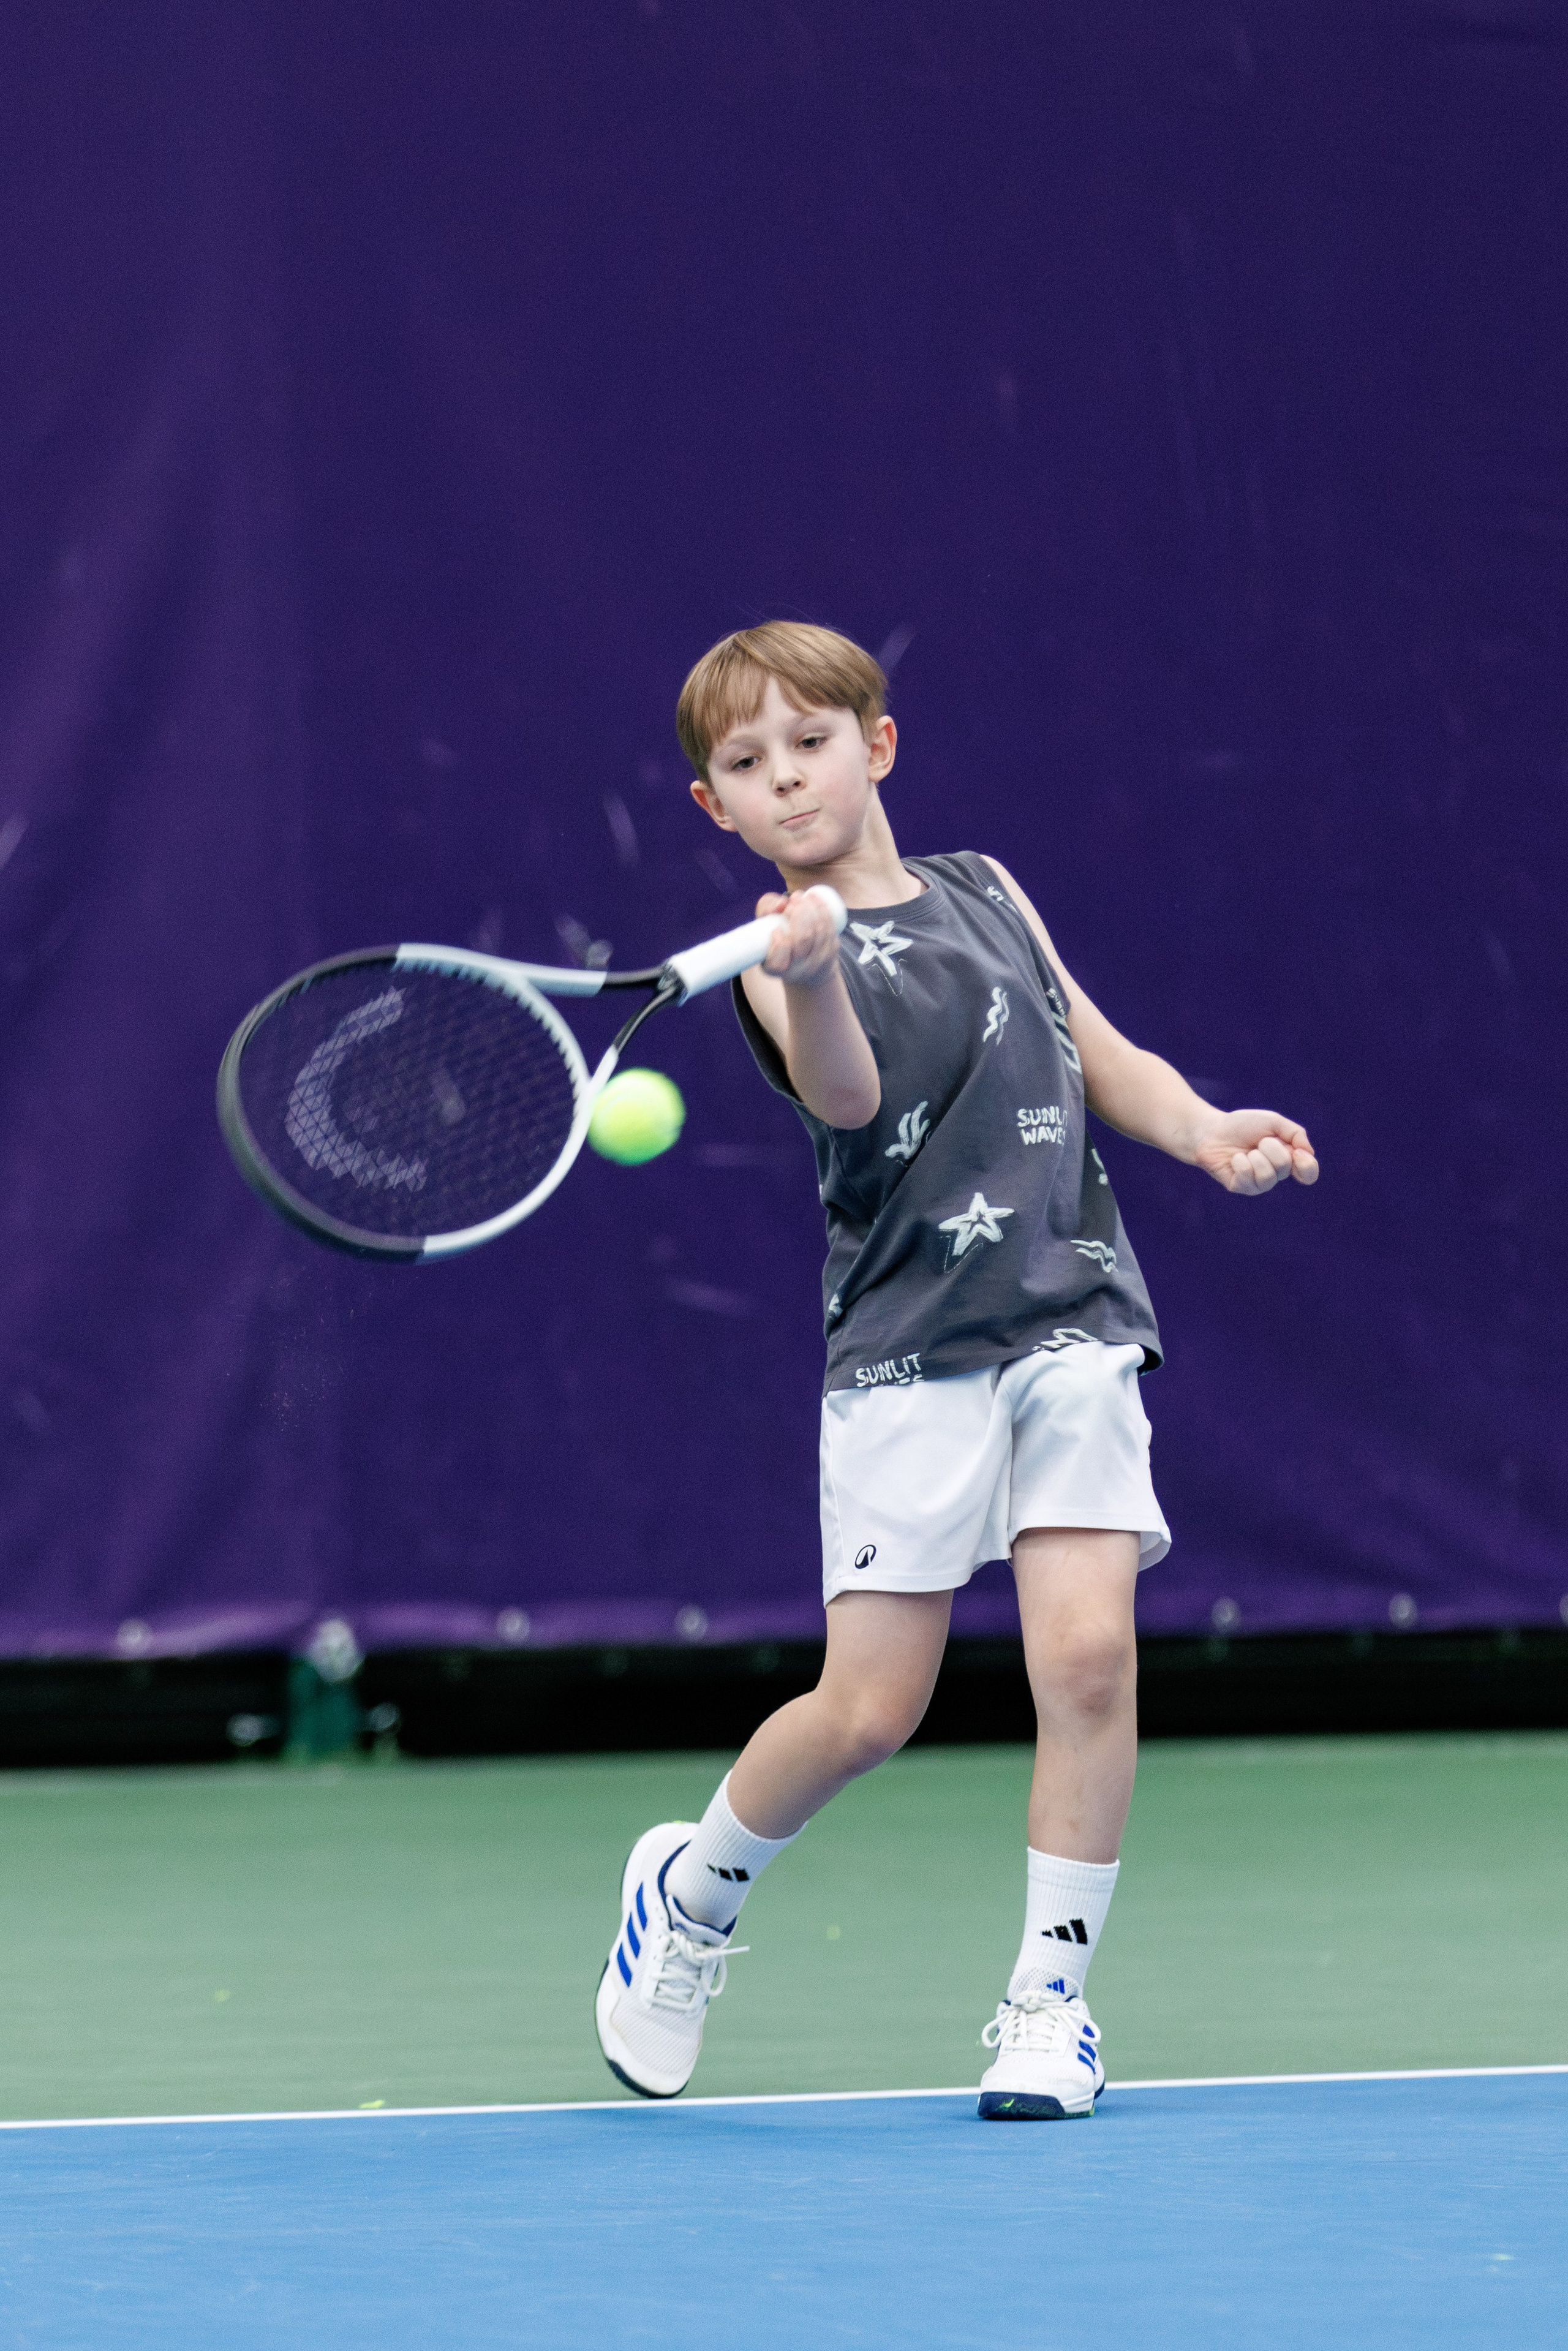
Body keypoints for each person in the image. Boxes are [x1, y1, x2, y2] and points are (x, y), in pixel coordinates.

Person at [595, 622, 1317, 2119]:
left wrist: (1201, 1130)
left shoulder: (987, 889)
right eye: (746, 764)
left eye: (811, 740)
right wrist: (810, 974)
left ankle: (1048, 2001)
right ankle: (690, 1890)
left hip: (1069, 1316)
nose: (786, 777)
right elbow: (851, 1097)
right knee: (867, 1711)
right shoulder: (767, 970)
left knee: (1089, 1657)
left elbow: (1089, 1045)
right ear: (712, 808)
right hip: (904, 1355)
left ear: (880, 744)